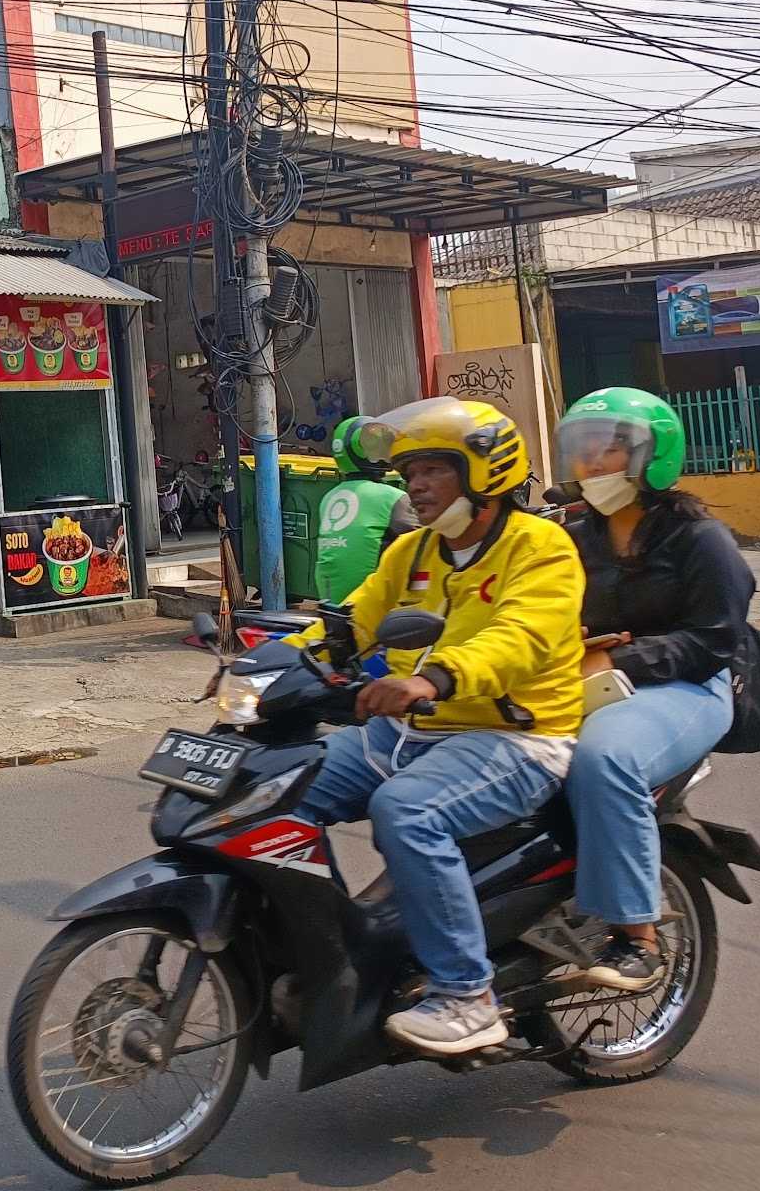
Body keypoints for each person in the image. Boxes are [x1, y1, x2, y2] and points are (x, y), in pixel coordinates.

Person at [291, 397, 585, 1057]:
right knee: (285, 784)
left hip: (517, 739)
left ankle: (466, 994)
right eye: (408, 473)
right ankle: (332, 950)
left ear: (484, 472)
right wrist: (268, 666)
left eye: (432, 470)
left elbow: (520, 639)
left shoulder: (541, 547)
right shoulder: (413, 552)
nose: (415, 486)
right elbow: (350, 622)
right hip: (411, 733)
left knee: (408, 813)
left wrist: (434, 679)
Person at [558, 387, 748, 991]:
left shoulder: (700, 540)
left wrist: (622, 658)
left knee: (606, 756)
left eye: (609, 450)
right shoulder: (574, 534)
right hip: (586, 680)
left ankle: (636, 936)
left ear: (653, 456)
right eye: (584, 450)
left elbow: (715, 641)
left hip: (690, 687)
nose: (592, 464)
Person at [313, 416, 421, 604]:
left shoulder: (329, 497)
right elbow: (425, 543)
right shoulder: (391, 497)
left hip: (329, 600)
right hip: (371, 603)